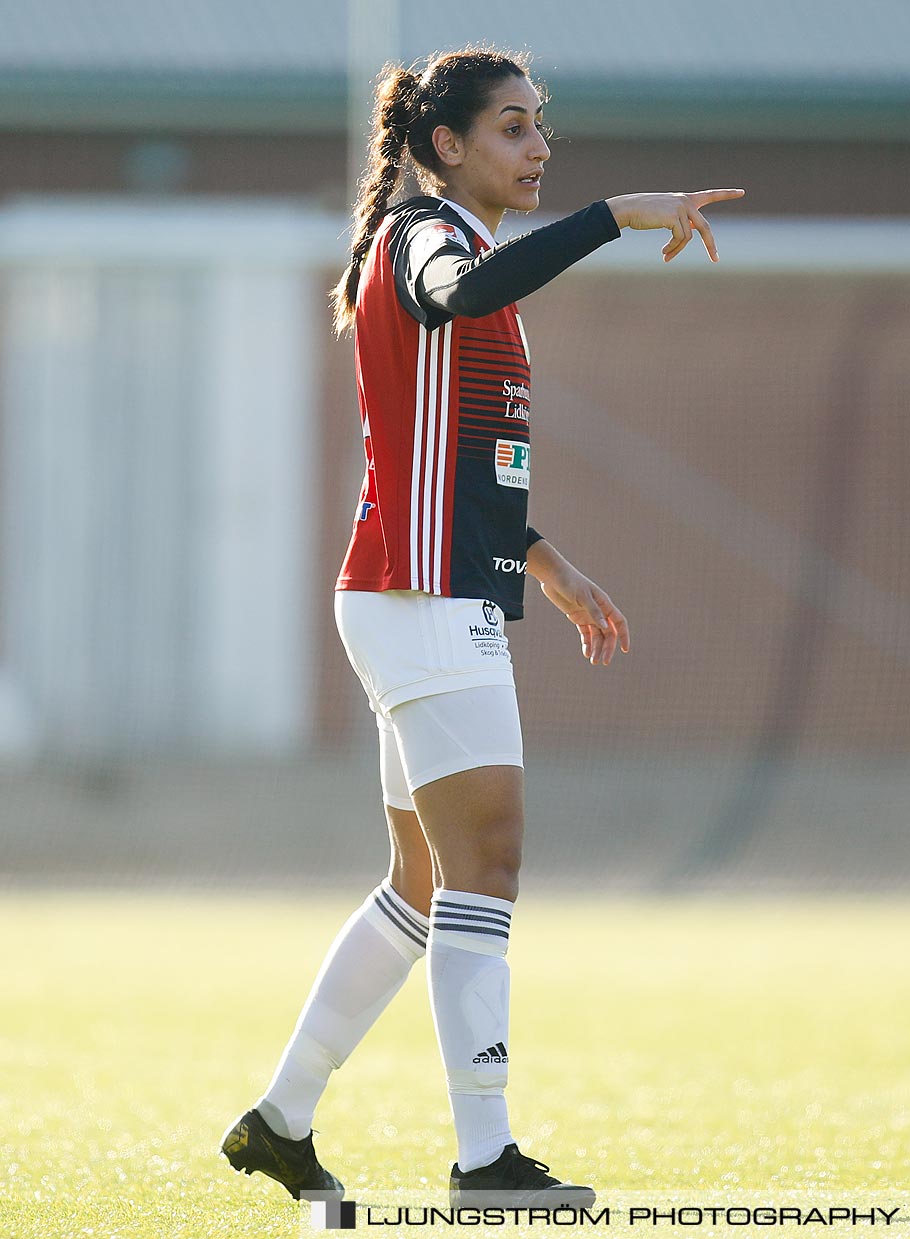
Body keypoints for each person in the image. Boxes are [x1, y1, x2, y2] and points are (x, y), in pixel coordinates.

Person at [218, 47, 742, 1207]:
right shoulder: (425, 238)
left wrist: (542, 559)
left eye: (541, 125)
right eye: (512, 127)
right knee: (487, 865)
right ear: (446, 144)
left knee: (421, 882)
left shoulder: (459, 241)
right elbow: (461, 297)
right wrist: (615, 214)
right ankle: (486, 1163)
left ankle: (281, 1117)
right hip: (417, 599)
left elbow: (452, 453)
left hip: (422, 587)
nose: (538, 147)